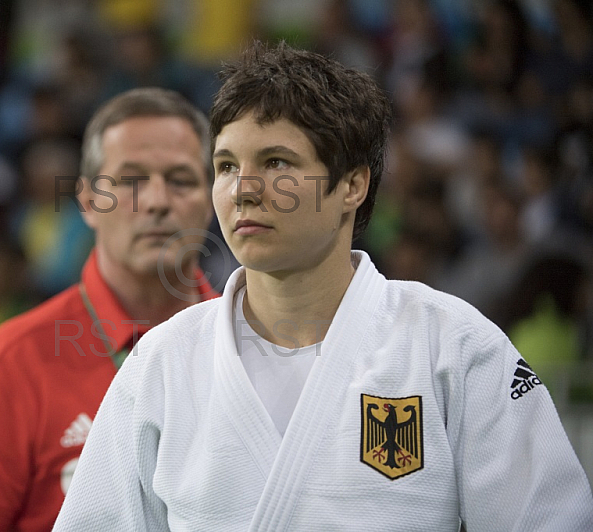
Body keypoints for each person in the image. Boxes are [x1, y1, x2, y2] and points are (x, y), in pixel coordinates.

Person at [53, 42, 593, 531]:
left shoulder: (453, 346)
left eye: (276, 163)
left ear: (352, 185)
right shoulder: (163, 362)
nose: (242, 189)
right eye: (225, 165)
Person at [0, 87, 216, 532]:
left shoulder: (254, 343)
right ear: (88, 202)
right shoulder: (15, 360)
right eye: (130, 180)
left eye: (181, 180)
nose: (156, 201)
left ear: (211, 198)